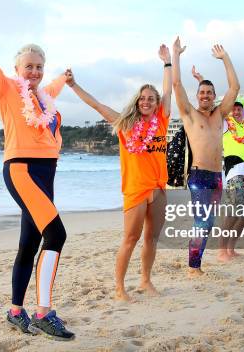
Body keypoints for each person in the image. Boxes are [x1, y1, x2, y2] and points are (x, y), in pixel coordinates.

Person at [0, 11, 74, 339]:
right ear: (17, 71)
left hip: (45, 175)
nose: (34, 72)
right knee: (57, 235)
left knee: (30, 243)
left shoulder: (45, 98)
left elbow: (54, 84)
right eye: (29, 67)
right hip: (21, 170)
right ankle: (44, 313)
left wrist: (65, 77)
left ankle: (16, 310)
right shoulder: (6, 89)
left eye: (39, 66)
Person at [67, 42, 173, 301]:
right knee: (130, 239)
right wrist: (73, 85)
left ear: (157, 103)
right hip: (135, 189)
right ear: (137, 102)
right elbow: (97, 105)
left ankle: (146, 281)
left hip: (158, 189)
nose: (146, 102)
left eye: (151, 99)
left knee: (152, 238)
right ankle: (119, 288)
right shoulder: (125, 125)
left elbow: (170, 88)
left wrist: (167, 62)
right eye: (143, 98)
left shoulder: (162, 121)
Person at [172, 40, 241, 276]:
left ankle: (195, 263)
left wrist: (225, 58)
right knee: (202, 223)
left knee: (208, 223)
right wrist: (176, 54)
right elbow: (177, 83)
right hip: (199, 175)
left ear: (214, 96)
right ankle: (194, 268)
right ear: (197, 95)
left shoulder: (220, 114)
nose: (205, 95)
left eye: (209, 93)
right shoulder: (189, 114)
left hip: (217, 176)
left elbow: (234, 88)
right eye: (202, 92)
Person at [209, 71, 244, 261]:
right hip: (235, 173)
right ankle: (222, 249)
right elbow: (217, 108)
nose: (236, 111)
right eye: (233, 108)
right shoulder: (224, 125)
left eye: (239, 108)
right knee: (234, 211)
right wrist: (201, 81)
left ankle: (232, 247)